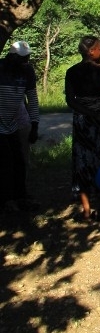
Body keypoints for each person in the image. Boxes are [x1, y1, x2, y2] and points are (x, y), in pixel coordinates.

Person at [65, 36, 100, 221]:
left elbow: (70, 100)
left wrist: (85, 111)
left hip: (82, 121)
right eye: (99, 49)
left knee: (82, 162)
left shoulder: (72, 72)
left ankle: (87, 209)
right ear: (91, 52)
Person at [0, 41, 40, 213]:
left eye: (27, 57)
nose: (26, 61)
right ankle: (7, 199)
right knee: (6, 161)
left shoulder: (27, 71)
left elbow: (32, 98)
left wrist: (34, 124)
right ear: (12, 57)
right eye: (23, 58)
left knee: (20, 161)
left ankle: (20, 196)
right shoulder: (1, 68)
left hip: (13, 123)